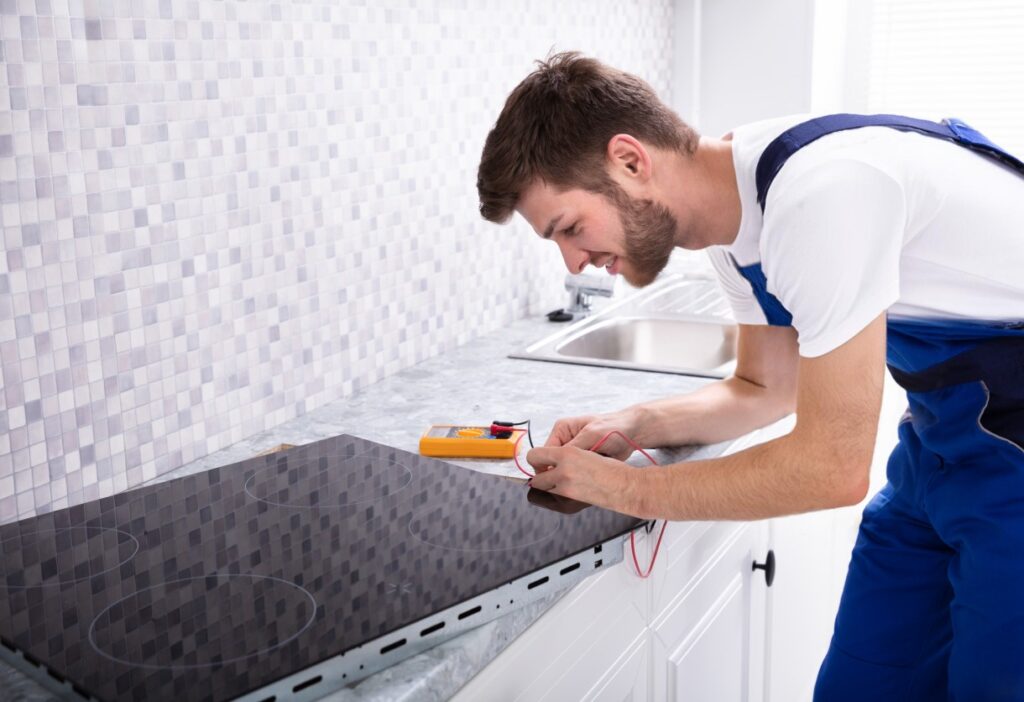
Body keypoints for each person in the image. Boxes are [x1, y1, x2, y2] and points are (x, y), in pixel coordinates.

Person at [476, 52, 1024, 701]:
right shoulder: (734, 219)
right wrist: (636, 423)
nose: (573, 258)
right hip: (946, 447)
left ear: (630, 160)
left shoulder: (823, 194)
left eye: (569, 227)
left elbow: (833, 467)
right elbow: (765, 388)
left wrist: (628, 490)